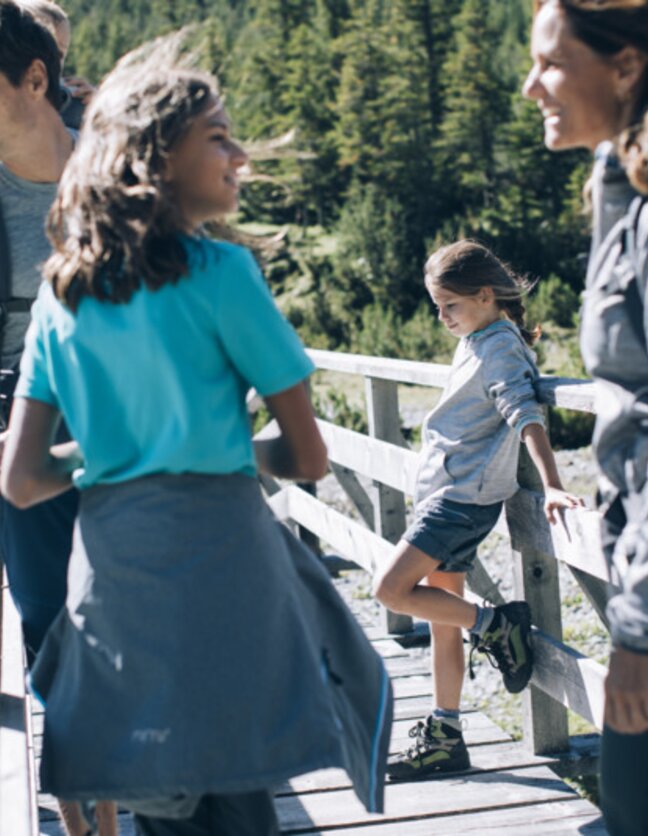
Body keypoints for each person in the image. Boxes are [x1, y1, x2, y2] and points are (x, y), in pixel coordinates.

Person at [0, 43, 393, 836]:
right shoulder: (222, 275)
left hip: (114, 587)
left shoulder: (62, 294)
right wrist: (216, 450)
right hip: (225, 579)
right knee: (236, 792)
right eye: (217, 135)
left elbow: (22, 481)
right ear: (159, 158)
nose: (239, 153)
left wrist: (117, 458)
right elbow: (309, 456)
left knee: (160, 802)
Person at [373, 239, 582, 781]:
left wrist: (553, 483)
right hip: (448, 494)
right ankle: (446, 736)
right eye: (437, 307)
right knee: (442, 622)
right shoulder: (479, 335)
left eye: (450, 306)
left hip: (458, 502)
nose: (442, 318)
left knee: (390, 591)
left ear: (486, 295)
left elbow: (523, 411)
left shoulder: (499, 348)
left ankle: (497, 625)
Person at [523, 2, 648, 833]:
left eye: (552, 63)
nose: (532, 85)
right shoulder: (623, 189)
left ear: (628, 67)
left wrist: (634, 632)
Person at [0, 4, 115, 833]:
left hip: (118, 404)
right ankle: (85, 823)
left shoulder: (114, 175)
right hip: (14, 410)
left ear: (35, 80)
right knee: (45, 619)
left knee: (129, 610)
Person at [17, 0, 93, 128]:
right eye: (43, 50)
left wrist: (99, 110)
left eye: (59, 55)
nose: (51, 62)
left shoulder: (68, 104)